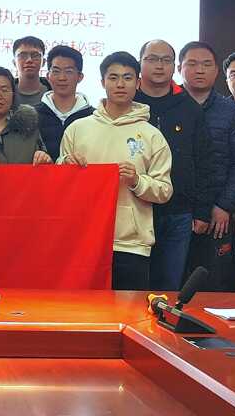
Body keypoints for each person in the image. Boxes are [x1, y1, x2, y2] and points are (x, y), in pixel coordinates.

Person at [59, 51, 173, 290]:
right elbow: (58, 183)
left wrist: (137, 181)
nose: (120, 84)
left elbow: (164, 191)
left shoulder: (152, 135)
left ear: (138, 83)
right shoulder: (77, 129)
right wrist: (66, 166)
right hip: (83, 239)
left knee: (128, 308)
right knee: (83, 309)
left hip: (132, 243)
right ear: (102, 82)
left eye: (127, 78)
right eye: (113, 77)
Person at [135, 40, 214, 291]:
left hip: (178, 212)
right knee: (133, 286)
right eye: (152, 59)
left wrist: (202, 211)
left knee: (169, 287)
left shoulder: (189, 107)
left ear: (174, 66)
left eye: (166, 60)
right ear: (140, 63)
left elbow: (204, 161)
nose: (159, 66)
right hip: (134, 210)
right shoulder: (127, 103)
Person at [178, 41, 235, 292]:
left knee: (215, 286)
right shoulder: (170, 107)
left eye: (206, 64)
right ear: (179, 68)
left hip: (217, 213)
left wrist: (225, 205)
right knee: (170, 283)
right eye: (192, 64)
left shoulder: (231, 111)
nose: (199, 70)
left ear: (216, 71)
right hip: (173, 211)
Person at [34, 45, 94, 160]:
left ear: (80, 77)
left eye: (69, 71)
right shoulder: (32, 115)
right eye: (56, 71)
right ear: (48, 76)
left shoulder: (93, 116)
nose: (62, 78)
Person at [12, 36, 49, 108]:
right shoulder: (5, 94)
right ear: (14, 62)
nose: (29, 60)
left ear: (44, 62)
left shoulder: (54, 93)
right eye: (23, 56)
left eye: (35, 55)